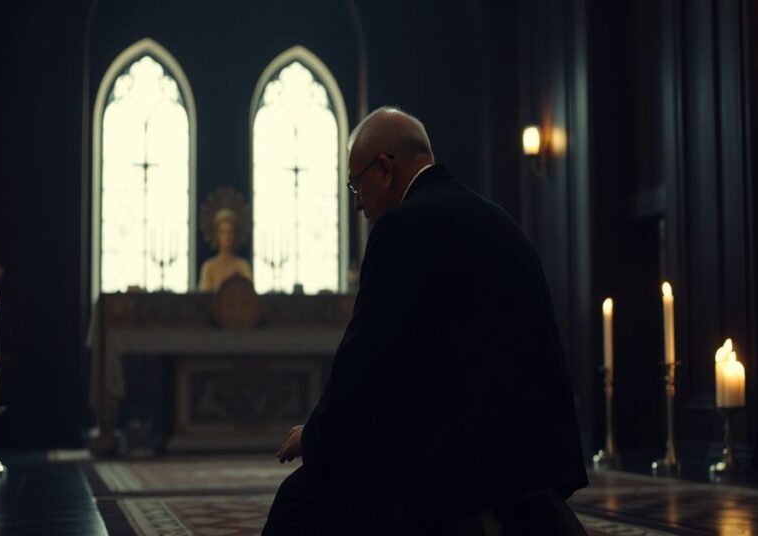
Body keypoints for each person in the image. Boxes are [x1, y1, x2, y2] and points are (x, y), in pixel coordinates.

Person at [263, 107, 589, 535]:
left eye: (356, 184)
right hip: (533, 460)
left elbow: (366, 363)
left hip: (454, 469)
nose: (357, 202)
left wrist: (314, 437)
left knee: (298, 500)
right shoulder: (500, 220)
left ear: (384, 169)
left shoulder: (400, 228)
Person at [198, 208, 253, 292]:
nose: (226, 237)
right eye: (222, 232)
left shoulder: (243, 266)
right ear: (217, 235)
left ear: (235, 235)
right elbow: (204, 295)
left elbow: (249, 294)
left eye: (230, 232)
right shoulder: (209, 267)